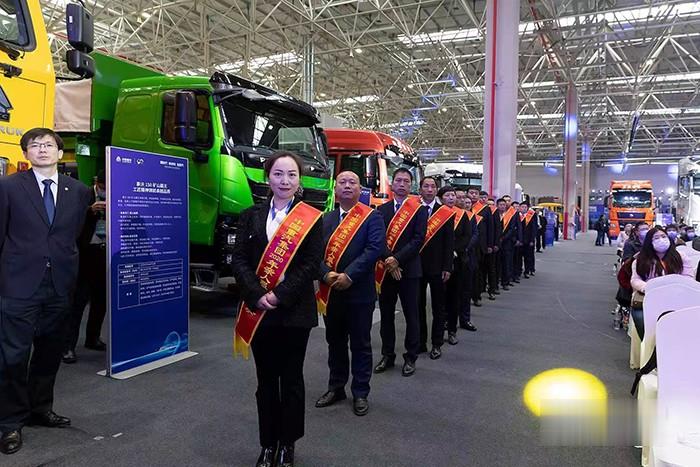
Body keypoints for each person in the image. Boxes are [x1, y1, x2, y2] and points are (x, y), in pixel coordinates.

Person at [0, 128, 92, 455]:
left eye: (48, 145)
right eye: (35, 145)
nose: (42, 149)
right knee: (12, 356)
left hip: (60, 285)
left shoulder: (78, 191)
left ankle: (40, 408)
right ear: (25, 153)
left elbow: (75, 235)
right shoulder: (8, 187)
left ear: (59, 152)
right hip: (18, 285)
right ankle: (9, 422)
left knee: (50, 353)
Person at [231, 151, 324, 467]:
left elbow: (311, 263)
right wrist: (257, 294)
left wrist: (279, 295)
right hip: (260, 312)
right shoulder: (250, 216)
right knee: (266, 381)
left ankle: (288, 445)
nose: (285, 181)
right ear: (267, 178)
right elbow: (239, 259)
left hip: (294, 311)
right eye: (278, 174)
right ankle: (268, 444)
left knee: (292, 380)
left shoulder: (310, 217)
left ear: (299, 180)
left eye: (292, 175)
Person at [315, 171, 385, 417]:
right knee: (334, 342)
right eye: (342, 182)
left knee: (360, 344)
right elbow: (314, 254)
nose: (347, 186)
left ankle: (360, 392)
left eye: (352, 182)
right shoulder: (325, 219)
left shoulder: (372, 217)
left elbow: (374, 249)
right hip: (331, 293)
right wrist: (326, 275)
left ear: (360, 189)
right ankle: (336, 387)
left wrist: (349, 275)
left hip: (359, 293)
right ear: (335, 189)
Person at [375, 168, 428, 377]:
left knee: (411, 315)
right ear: (392, 183)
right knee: (386, 315)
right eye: (398, 180)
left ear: (411, 185)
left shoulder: (419, 210)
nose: (402, 184)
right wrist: (390, 262)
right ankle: (387, 355)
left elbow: (418, 240)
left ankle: (411, 357)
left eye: (406, 181)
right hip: (386, 271)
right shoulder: (381, 209)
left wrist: (397, 259)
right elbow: (377, 239)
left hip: (410, 271)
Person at [63, 170, 109, 364]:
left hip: (105, 254)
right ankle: (67, 346)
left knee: (101, 301)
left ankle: (93, 338)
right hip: (84, 255)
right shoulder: (82, 194)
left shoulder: (118, 195)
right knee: (78, 302)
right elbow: (68, 219)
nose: (105, 190)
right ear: (96, 182)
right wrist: (89, 210)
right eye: (103, 187)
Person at [417, 177, 454, 359]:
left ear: (436, 190)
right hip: (416, 266)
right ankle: (420, 342)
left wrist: (447, 266)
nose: (429, 189)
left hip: (438, 267)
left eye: (433, 186)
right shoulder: (412, 209)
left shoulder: (445, 212)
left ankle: (437, 343)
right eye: (426, 186)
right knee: (418, 306)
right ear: (420, 189)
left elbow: (449, 242)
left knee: (438, 307)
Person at [497, 198, 518, 289]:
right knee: (497, 263)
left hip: (507, 242)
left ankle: (505, 282)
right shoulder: (494, 215)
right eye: (500, 205)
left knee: (506, 263)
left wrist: (503, 238)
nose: (502, 206)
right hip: (496, 242)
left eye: (504, 205)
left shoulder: (510, 215)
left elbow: (511, 229)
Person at [520, 202, 538, 277]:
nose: (523, 208)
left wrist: (532, 240)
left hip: (529, 239)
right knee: (519, 257)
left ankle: (528, 270)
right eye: (522, 207)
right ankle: (519, 270)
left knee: (528, 256)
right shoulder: (517, 215)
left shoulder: (531, 215)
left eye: (525, 207)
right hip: (520, 240)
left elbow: (534, 228)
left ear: (527, 208)